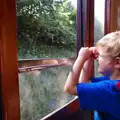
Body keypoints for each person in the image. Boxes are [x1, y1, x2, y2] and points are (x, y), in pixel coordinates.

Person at [64, 31, 120, 120]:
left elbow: (69, 88)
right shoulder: (113, 83)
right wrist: (89, 59)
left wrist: (81, 58)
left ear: (117, 62)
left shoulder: (109, 88)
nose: (97, 58)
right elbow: (84, 84)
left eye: (100, 55)